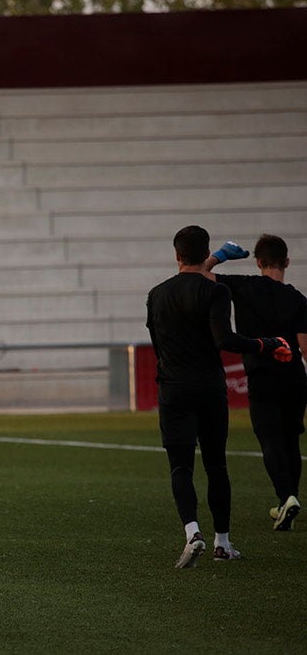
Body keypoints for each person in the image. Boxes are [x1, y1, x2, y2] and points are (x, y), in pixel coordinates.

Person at [146, 226, 290, 569]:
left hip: (173, 388)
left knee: (181, 466)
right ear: (205, 252)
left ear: (177, 255)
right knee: (216, 466)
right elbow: (225, 339)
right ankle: (222, 544)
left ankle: (192, 532)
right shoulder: (216, 291)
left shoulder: (156, 294)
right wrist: (266, 344)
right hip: (209, 388)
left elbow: (157, 346)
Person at [204, 234, 306, 531]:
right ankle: (291, 500)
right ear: (286, 262)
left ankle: (286, 497)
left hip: (263, 375)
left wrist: (219, 256)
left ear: (258, 262)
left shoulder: (244, 286)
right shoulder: (299, 300)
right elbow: (305, 347)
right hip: (294, 377)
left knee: (270, 439)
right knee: (291, 440)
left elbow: (199, 276)